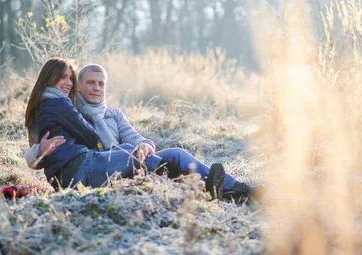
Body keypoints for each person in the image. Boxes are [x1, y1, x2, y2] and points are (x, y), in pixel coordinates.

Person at [26, 59, 252, 201]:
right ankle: (204, 187)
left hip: (126, 162)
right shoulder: (70, 111)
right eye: (90, 83)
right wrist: (37, 151)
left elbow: (135, 138)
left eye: (101, 83)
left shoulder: (114, 115)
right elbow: (45, 143)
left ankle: (235, 188)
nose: (96, 88)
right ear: (79, 86)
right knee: (129, 151)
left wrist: (146, 145)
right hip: (104, 168)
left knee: (176, 154)